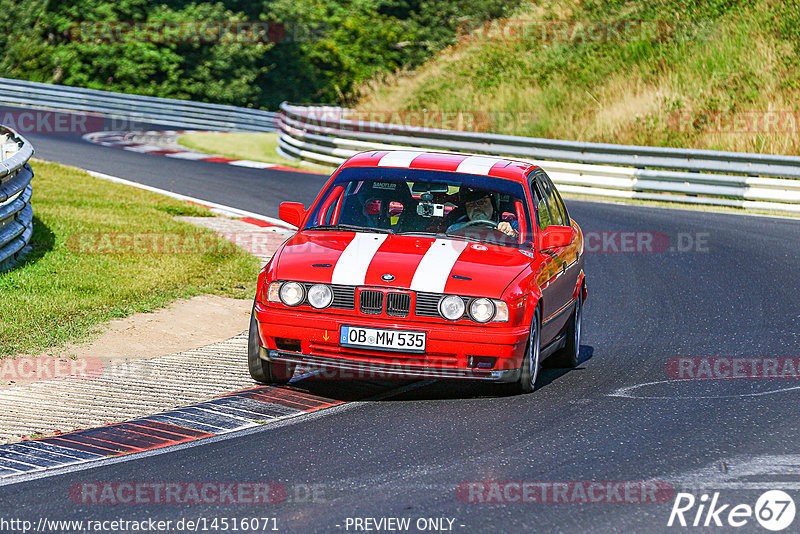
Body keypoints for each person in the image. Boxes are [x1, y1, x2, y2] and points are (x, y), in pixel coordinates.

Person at [446, 187, 518, 238]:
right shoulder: (455, 229)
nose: (476, 207)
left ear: (493, 204)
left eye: (481, 202)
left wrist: (513, 234)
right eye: (470, 205)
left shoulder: (511, 224)